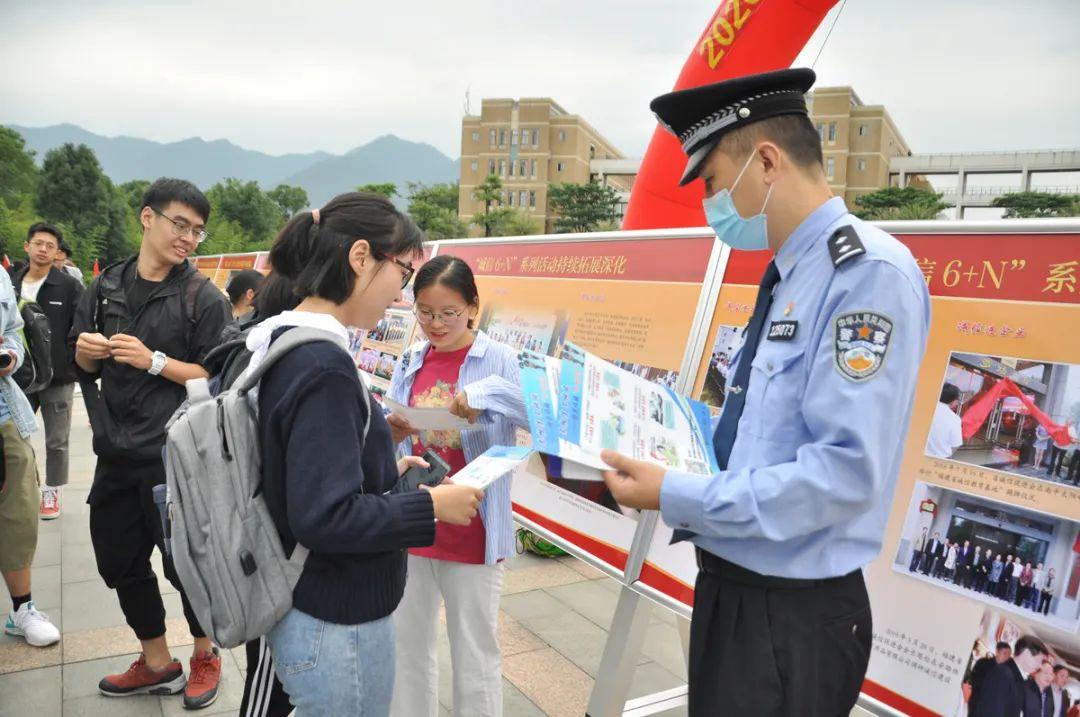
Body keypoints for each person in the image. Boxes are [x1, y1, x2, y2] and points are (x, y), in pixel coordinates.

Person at [598, 68, 932, 717]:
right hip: (740, 591)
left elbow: (842, 474)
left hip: (792, 612)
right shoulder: (792, 273)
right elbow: (763, 435)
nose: (712, 202)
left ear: (768, 161)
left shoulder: (865, 276)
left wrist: (673, 491)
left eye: (716, 181)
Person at [251, 192, 484, 715]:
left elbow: (300, 471)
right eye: (401, 273)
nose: (401, 295)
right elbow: (325, 516)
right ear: (361, 257)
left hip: (302, 597)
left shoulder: (279, 340)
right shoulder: (325, 365)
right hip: (336, 617)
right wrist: (430, 507)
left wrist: (381, 467)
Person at [70, 178, 233, 708]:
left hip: (175, 454)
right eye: (179, 224)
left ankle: (206, 655)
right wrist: (90, 351)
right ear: (147, 218)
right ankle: (158, 661)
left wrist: (154, 360)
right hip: (115, 450)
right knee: (118, 559)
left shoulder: (202, 297)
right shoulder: (106, 285)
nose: (188, 238)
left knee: (188, 561)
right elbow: (80, 363)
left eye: (197, 231)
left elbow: (219, 377)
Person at [385, 255, 530, 717]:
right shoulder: (411, 357)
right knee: (407, 644)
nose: (435, 323)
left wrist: (482, 397)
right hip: (417, 517)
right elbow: (399, 428)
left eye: (448, 312)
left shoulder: (499, 358)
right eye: (425, 311)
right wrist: (391, 433)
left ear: (473, 307)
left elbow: (535, 412)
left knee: (475, 650)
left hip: (474, 525)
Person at [0, 269, 61, 648]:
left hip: (5, 417)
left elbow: (12, 330)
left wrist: (9, 355)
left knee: (19, 516)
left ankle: (22, 609)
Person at [10, 222, 85, 519]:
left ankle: (52, 491)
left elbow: (81, 325)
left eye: (50, 246)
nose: (43, 250)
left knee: (57, 439)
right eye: (38, 243)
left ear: (57, 253)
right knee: (14, 435)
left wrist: (68, 360)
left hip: (58, 377)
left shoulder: (68, 286)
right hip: (18, 377)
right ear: (27, 246)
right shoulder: (10, 283)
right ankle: (23, 484)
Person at [969, 635, 1048, 717]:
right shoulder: (1003, 673)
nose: (1040, 666)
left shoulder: (1017, 677)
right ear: (1026, 653)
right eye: (1039, 660)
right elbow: (992, 711)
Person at [927, 383, 965, 459]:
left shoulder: (926, 408)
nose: (958, 403)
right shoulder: (955, 419)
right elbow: (956, 444)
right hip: (940, 458)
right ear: (953, 401)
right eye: (958, 400)